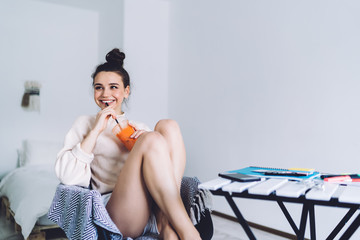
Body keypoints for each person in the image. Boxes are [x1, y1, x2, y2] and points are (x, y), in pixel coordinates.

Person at [55, 48, 202, 240]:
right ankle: (188, 232)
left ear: (126, 91)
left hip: (154, 208)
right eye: (99, 87)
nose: (105, 93)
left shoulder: (139, 128)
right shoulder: (85, 123)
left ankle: (166, 224)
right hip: (119, 214)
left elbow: (165, 172)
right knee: (152, 139)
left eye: (113, 87)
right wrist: (96, 130)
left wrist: (146, 143)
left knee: (168, 126)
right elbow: (67, 177)